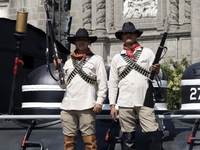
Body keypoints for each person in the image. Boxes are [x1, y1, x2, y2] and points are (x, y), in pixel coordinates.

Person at [109, 22, 162, 150]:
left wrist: (157, 70)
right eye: (125, 33)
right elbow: (113, 83)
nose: (128, 35)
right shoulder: (117, 58)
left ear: (136, 35)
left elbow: (158, 77)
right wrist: (112, 105)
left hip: (144, 99)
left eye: (131, 33)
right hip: (125, 101)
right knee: (127, 137)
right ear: (121, 36)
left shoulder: (147, 53)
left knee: (152, 133)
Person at [53, 28, 107, 150]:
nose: (81, 42)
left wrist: (99, 102)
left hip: (86, 105)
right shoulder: (68, 62)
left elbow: (103, 83)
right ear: (74, 43)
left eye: (84, 40)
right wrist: (57, 70)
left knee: (90, 143)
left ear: (88, 42)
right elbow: (63, 85)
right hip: (68, 106)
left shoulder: (96, 59)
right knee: (68, 143)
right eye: (78, 40)